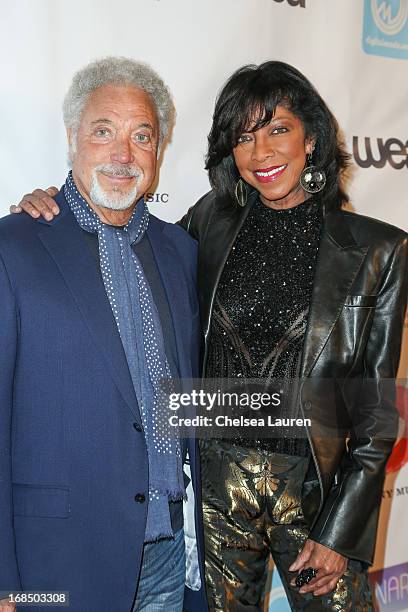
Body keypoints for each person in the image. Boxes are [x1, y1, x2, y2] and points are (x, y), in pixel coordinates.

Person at [10, 61, 408, 611]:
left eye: (277, 129)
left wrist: (343, 531)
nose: (261, 152)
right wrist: (43, 210)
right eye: (244, 137)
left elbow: (376, 408)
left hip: (316, 489)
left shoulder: (379, 250)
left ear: (311, 137)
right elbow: (107, 230)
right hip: (217, 490)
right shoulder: (211, 224)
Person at [0, 57, 207, 612]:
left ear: (159, 152)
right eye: (103, 131)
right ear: (72, 139)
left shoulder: (181, 251)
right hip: (57, 561)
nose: (122, 153)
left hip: (168, 553)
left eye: (142, 136)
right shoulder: (12, 247)